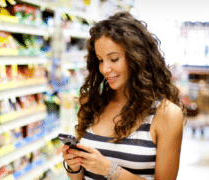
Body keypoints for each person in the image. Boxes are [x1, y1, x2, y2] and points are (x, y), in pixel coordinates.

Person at [61, 11, 185, 180]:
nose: (105, 69)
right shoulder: (92, 104)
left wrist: (108, 169)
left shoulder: (166, 114)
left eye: (113, 59)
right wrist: (74, 166)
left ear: (137, 57)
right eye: (100, 60)